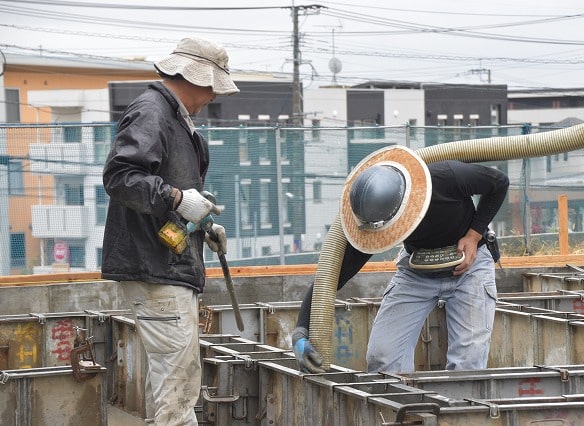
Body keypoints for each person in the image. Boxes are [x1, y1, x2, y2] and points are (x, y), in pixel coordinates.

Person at [101, 38, 238, 425]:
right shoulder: (152, 113)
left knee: (169, 379)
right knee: (178, 387)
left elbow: (157, 185)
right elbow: (121, 177)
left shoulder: (171, 116)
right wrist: (178, 198)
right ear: (194, 78)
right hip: (154, 266)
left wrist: (201, 223)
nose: (213, 95)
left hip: (163, 263)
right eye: (213, 86)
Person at [292, 145, 509, 374]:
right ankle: (402, 408)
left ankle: (459, 409)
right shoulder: (377, 219)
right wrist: (301, 330)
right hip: (417, 269)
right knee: (383, 359)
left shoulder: (447, 177)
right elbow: (331, 276)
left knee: (468, 364)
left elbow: (499, 183)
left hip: (470, 267)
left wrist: (474, 235)